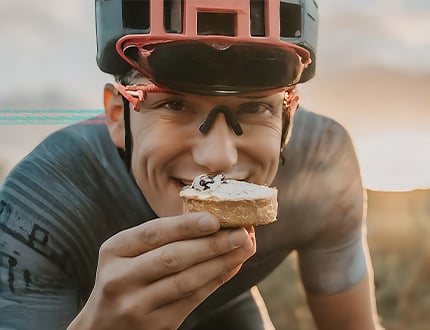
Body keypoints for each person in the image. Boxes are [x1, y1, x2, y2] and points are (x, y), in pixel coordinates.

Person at [0, 0, 383, 329]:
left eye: (255, 107)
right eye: (174, 104)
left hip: (226, 306)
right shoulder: (40, 200)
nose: (218, 158)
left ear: (288, 119)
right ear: (117, 115)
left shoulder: (324, 162)